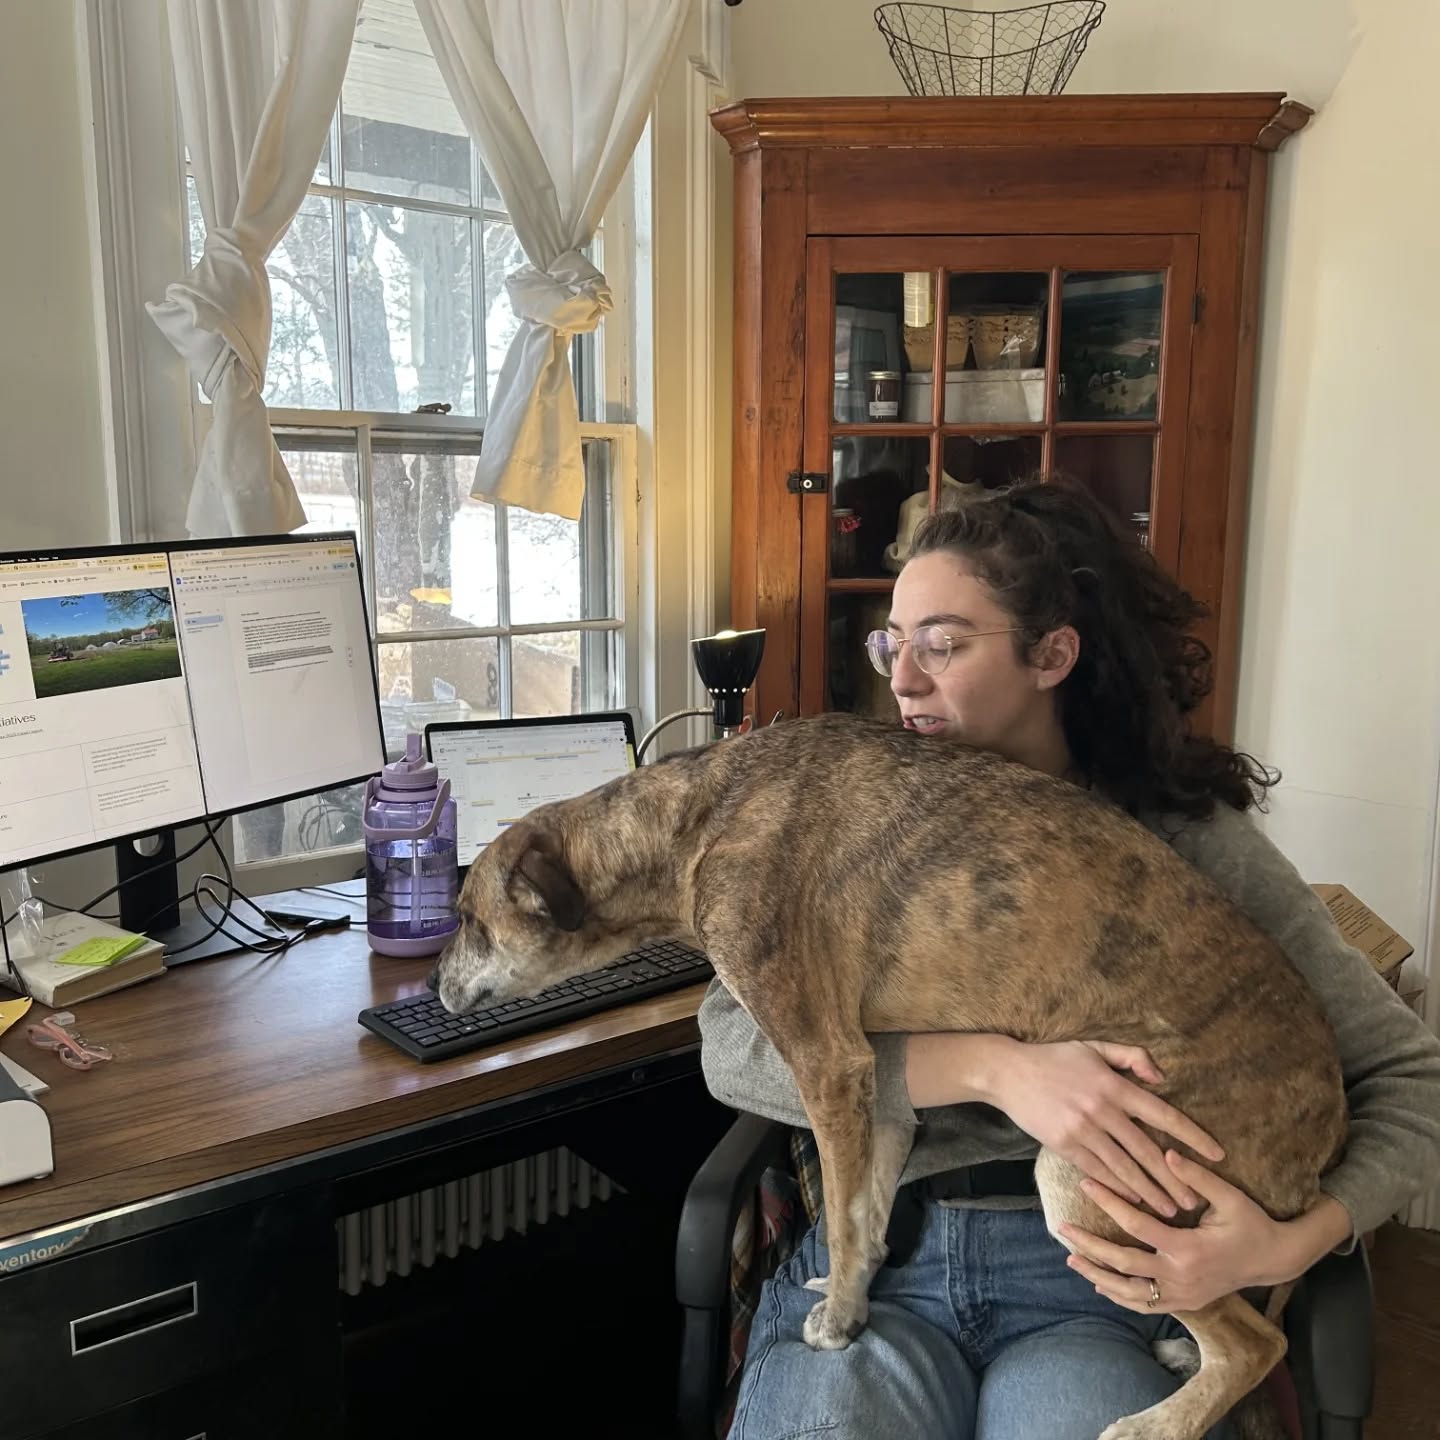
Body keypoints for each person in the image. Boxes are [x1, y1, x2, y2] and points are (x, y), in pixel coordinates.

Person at [699, 477, 1440, 1440]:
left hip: (1100, 1288)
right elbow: (728, 1043)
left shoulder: (1182, 839)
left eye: (945, 645)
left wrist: (1289, 1243)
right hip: (882, 1265)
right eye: (895, 642)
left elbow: (1411, 1077)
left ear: (1052, 655)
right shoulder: (857, 828)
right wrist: (1000, 1071)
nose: (904, 680)